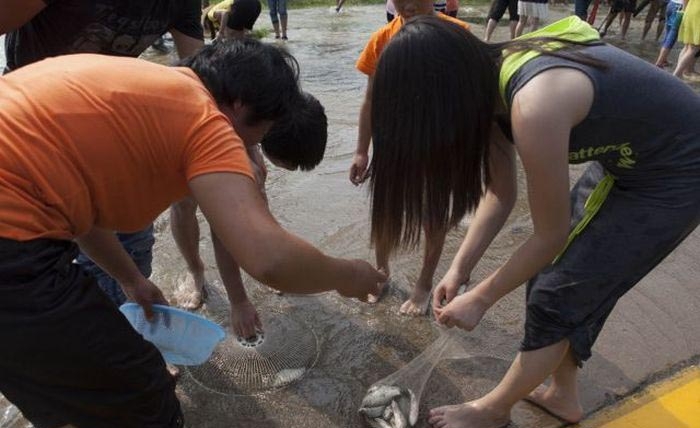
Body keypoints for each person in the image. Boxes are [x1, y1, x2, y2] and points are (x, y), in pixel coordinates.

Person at [0, 39, 384, 428]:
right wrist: (350, 275)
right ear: (239, 106)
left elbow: (78, 212)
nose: (253, 145)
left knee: (58, 392)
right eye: (263, 128)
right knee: (143, 394)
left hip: (20, 226)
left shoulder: (147, 88)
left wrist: (131, 279)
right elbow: (271, 259)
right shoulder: (204, 118)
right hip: (14, 248)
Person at [368, 15, 700, 427]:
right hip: (630, 159)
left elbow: (550, 235)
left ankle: (492, 410)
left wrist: (482, 297)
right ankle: (563, 395)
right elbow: (500, 194)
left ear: (444, 97)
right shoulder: (487, 91)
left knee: (559, 292)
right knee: (560, 281)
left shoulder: (534, 103)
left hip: (679, 172)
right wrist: (459, 269)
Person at [1, 0, 206, 311]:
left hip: (109, 122)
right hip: (29, 126)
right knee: (40, 267)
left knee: (133, 249)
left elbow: (200, 78)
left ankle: (127, 325)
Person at [349, 0, 470, 315]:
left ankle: (424, 283)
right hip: (393, 143)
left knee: (434, 215)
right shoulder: (381, 39)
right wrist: (362, 150)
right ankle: (381, 272)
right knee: (386, 211)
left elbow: (474, 96)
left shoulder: (458, 34)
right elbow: (370, 100)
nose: (409, 3)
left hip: (441, 144)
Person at [177, 91, 329, 338]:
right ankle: (195, 269)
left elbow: (255, 203)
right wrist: (238, 301)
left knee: (255, 179)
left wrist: (274, 256)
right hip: (185, 130)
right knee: (184, 204)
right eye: (286, 162)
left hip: (226, 115)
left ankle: (263, 254)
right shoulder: (225, 134)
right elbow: (223, 232)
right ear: (266, 130)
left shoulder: (267, 98)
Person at [673, 0, 700, 79]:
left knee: (687, 46)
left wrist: (683, 11)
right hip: (698, 15)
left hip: (689, 11)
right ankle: (677, 75)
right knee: (694, 48)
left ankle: (679, 73)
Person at [654, 0, 684, 67]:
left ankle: (663, 59)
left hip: (671, 4)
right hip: (679, 6)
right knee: (672, 35)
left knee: (668, 33)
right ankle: (660, 61)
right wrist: (684, 10)